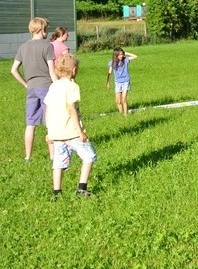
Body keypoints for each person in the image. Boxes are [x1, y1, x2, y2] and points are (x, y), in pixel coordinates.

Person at [45, 54, 96, 199]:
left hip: (56, 133)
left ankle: (57, 192)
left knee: (58, 161)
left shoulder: (53, 86)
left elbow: (47, 109)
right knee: (89, 155)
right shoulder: (72, 86)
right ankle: (81, 189)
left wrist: (49, 131)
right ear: (73, 70)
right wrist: (80, 132)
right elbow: (72, 109)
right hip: (72, 132)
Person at [10, 17, 58, 162]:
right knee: (50, 123)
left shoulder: (23, 47)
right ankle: (53, 156)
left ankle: (27, 157)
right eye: (46, 29)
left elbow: (13, 70)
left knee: (30, 124)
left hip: (31, 88)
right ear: (41, 30)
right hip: (46, 87)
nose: (47, 32)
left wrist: (26, 84)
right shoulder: (47, 46)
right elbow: (52, 71)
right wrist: (59, 87)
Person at [106, 47, 138, 115]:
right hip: (117, 83)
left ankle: (126, 115)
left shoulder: (125, 59)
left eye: (122, 54)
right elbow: (109, 73)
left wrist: (126, 53)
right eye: (119, 55)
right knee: (118, 101)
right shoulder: (112, 62)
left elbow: (135, 56)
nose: (121, 56)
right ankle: (121, 114)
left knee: (123, 100)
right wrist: (108, 83)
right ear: (116, 55)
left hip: (125, 81)